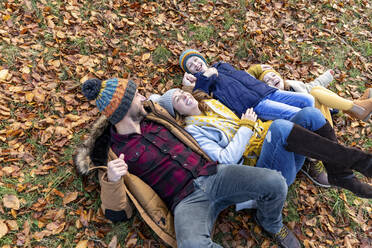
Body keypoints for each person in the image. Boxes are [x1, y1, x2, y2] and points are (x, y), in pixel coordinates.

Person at [75, 78, 301, 248]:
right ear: (123, 108)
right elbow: (116, 212)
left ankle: (270, 222)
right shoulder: (114, 152)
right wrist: (112, 180)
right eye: (136, 96)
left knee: (275, 182)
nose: (143, 97)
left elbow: (180, 99)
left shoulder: (155, 116)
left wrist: (193, 82)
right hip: (185, 202)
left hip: (214, 174)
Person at [150, 88, 372, 198]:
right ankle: (363, 162)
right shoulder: (194, 130)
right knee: (280, 127)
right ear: (176, 112)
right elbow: (225, 160)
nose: (184, 96)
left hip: (275, 150)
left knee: (310, 113)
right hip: (263, 173)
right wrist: (246, 127)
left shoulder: (211, 105)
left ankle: (341, 175)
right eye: (178, 100)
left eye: (181, 92)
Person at [179, 49, 315, 121]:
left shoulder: (221, 65)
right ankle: (314, 152)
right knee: (300, 114)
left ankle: (316, 129)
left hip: (266, 91)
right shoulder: (200, 84)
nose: (195, 64)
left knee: (308, 99)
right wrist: (205, 77)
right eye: (190, 65)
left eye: (196, 60)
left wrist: (257, 69)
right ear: (189, 72)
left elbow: (242, 77)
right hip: (253, 105)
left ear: (202, 59)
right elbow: (200, 97)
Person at [247, 64, 372, 124]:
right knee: (314, 93)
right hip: (316, 126)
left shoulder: (293, 85)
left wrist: (328, 76)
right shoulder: (273, 102)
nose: (272, 79)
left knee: (314, 89)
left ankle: (355, 108)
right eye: (266, 81)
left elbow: (313, 85)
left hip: (324, 112)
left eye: (273, 75)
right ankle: (356, 108)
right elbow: (246, 84)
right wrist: (255, 70)